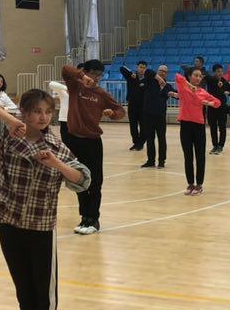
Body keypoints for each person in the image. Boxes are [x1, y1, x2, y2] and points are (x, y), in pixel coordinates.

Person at [0, 90, 91, 310]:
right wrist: (9, 119)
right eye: (37, 111)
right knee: (23, 285)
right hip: (9, 220)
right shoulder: (4, 133)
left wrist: (56, 164)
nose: (43, 117)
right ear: (24, 112)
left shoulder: (56, 146)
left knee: (43, 288)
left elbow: (83, 180)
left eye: (48, 112)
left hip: (40, 225)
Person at [62, 61, 125, 235]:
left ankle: (94, 219)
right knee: (78, 180)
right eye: (94, 74)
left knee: (95, 182)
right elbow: (66, 69)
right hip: (73, 141)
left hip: (92, 142)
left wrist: (113, 114)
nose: (96, 78)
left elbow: (120, 111)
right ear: (85, 72)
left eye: (100, 75)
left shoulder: (101, 94)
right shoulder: (75, 86)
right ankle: (84, 217)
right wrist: (82, 77)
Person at [175, 68, 221, 195]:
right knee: (188, 156)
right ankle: (190, 184)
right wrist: (190, 86)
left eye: (200, 76)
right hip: (185, 126)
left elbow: (218, 102)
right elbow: (178, 76)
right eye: (195, 75)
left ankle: (199, 185)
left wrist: (209, 103)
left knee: (200, 156)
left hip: (199, 127)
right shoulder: (183, 88)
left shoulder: (202, 92)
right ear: (190, 76)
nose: (198, 78)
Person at [140, 65, 177, 168]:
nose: (163, 73)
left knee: (161, 138)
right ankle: (150, 161)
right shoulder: (151, 81)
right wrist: (158, 78)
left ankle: (161, 161)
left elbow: (177, 95)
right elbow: (147, 71)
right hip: (148, 115)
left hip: (160, 116)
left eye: (165, 72)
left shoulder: (167, 86)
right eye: (161, 71)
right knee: (150, 139)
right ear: (157, 71)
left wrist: (174, 94)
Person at [205, 64, 230, 155]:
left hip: (222, 108)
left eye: (221, 71)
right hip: (212, 107)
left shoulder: (225, 82)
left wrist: (228, 92)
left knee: (222, 127)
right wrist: (216, 81)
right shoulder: (211, 80)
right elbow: (206, 75)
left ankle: (221, 145)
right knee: (212, 127)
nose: (220, 73)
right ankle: (215, 145)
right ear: (214, 72)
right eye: (218, 71)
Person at [119, 61, 147, 151]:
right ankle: (135, 142)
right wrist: (131, 73)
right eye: (140, 67)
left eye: (144, 68)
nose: (142, 69)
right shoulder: (131, 77)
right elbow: (122, 68)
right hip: (132, 105)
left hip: (143, 106)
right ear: (137, 67)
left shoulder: (147, 79)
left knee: (143, 125)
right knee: (133, 125)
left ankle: (141, 143)